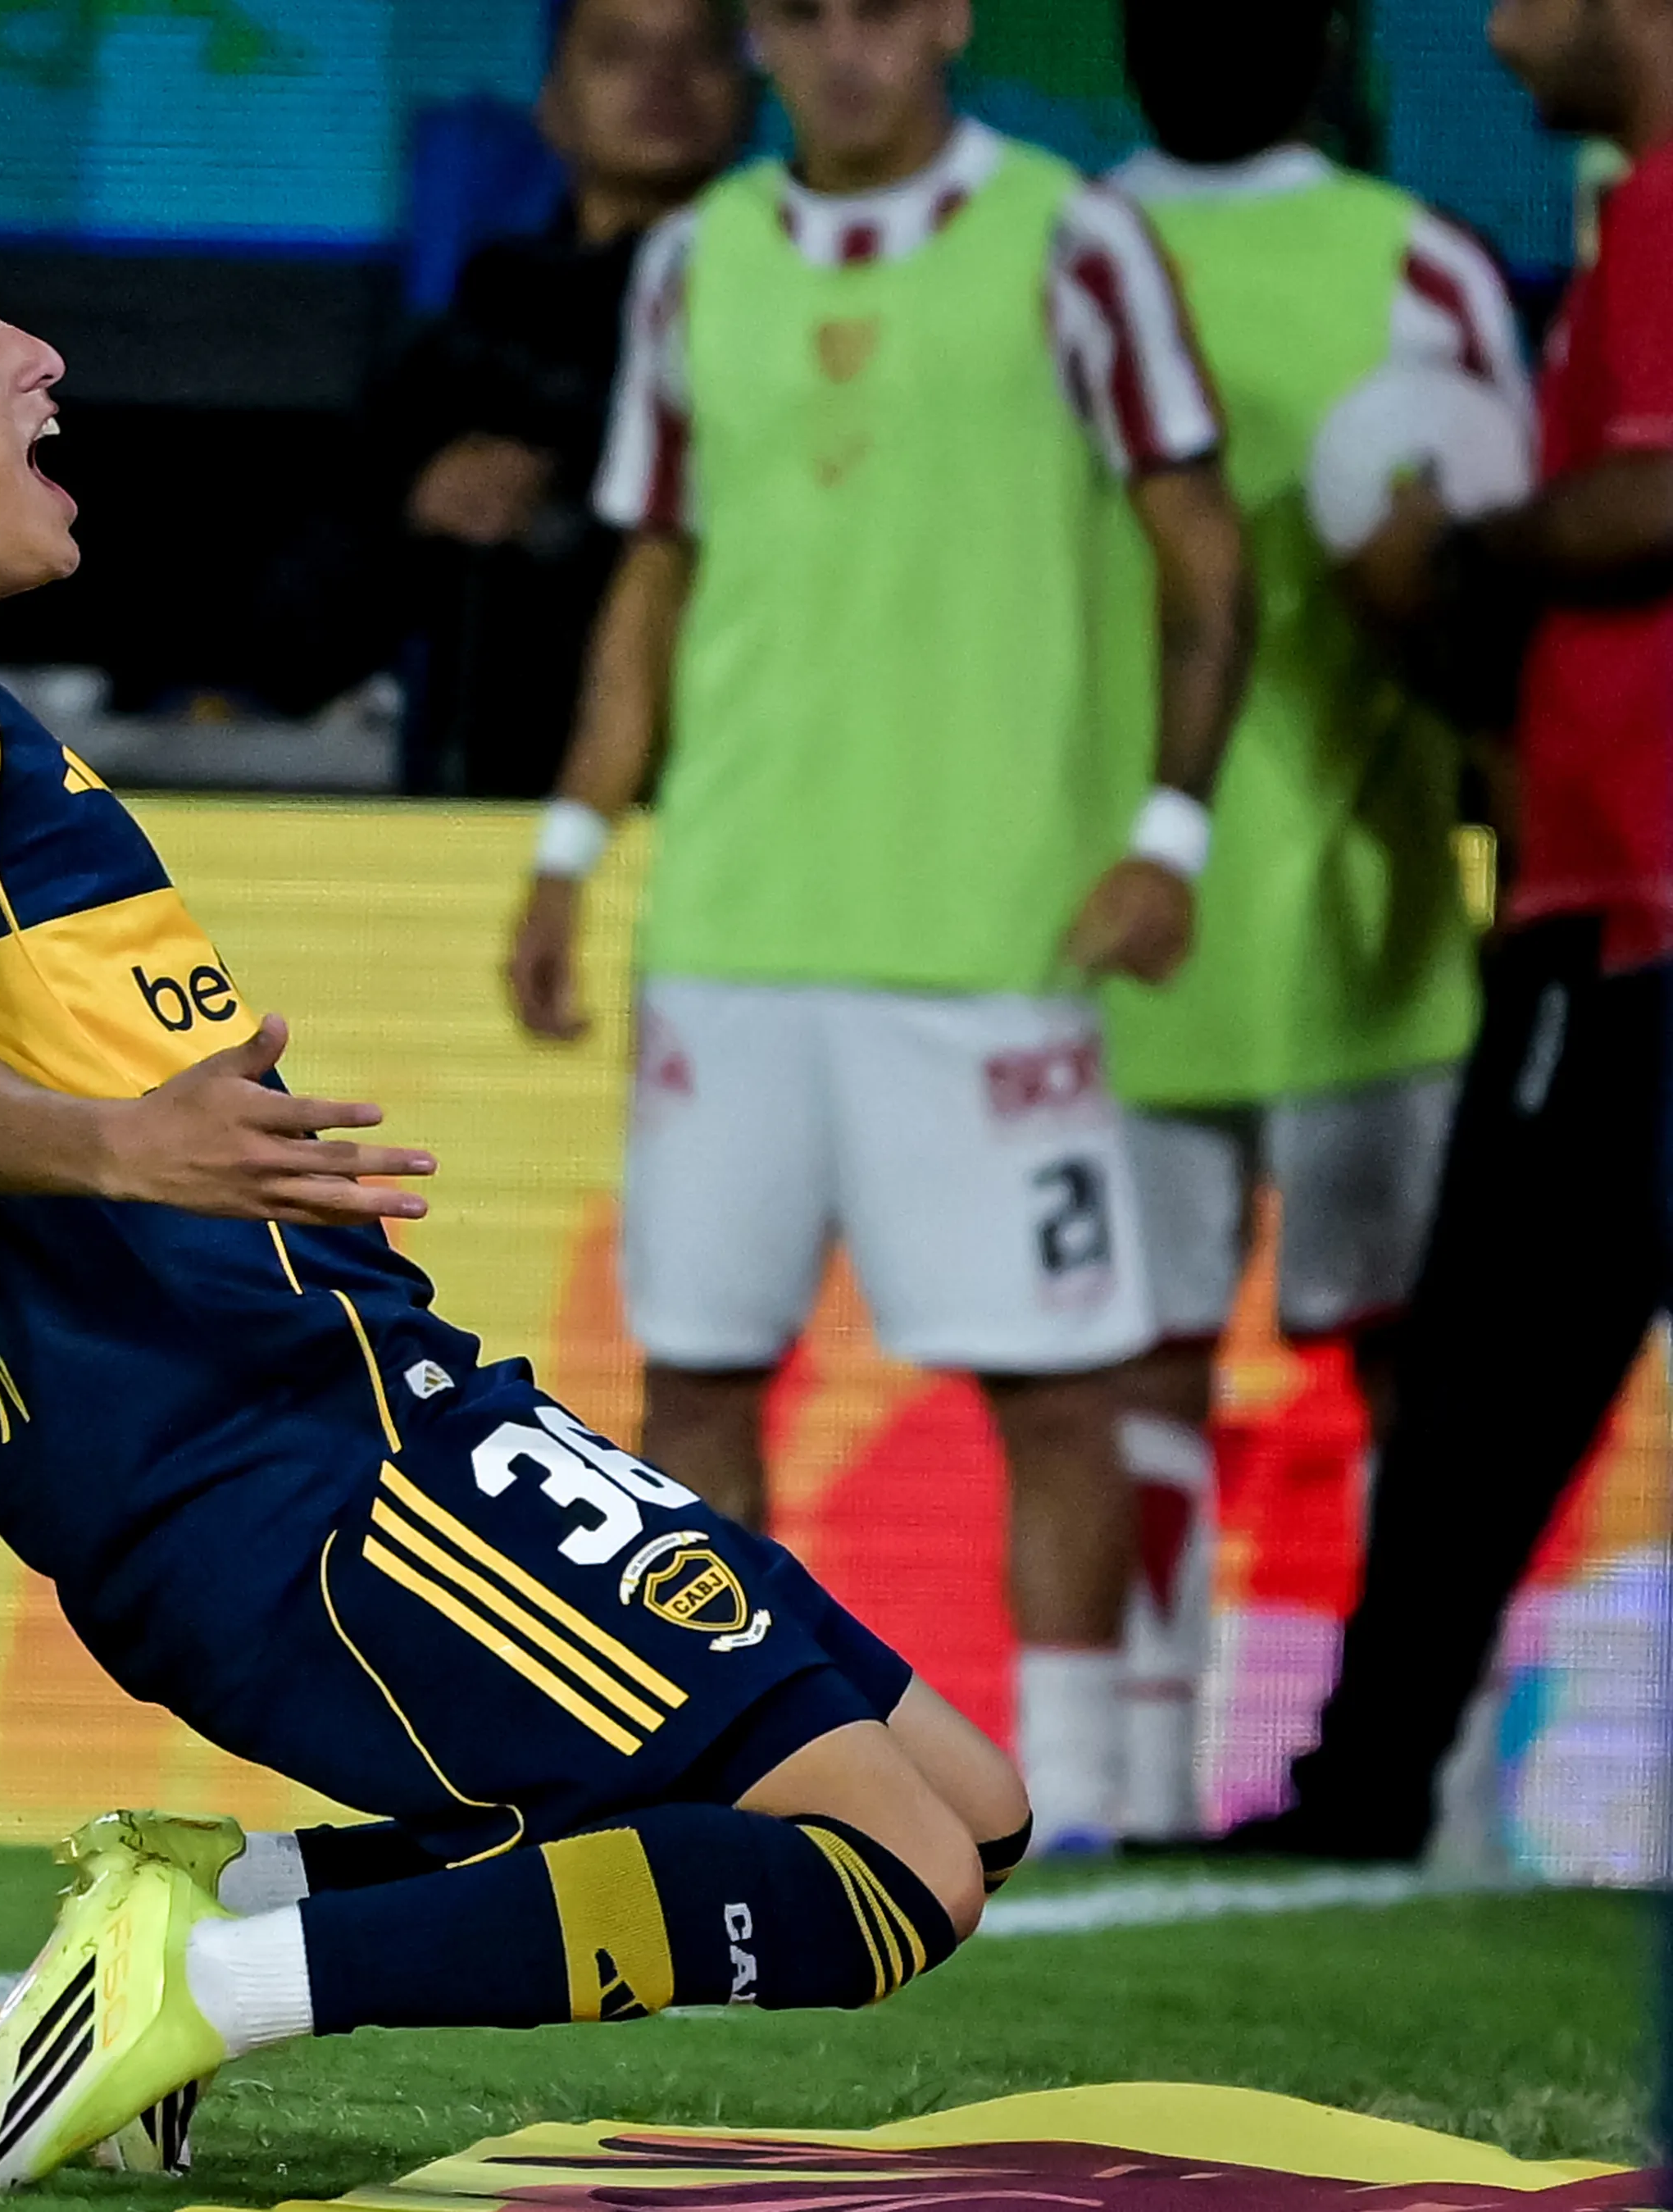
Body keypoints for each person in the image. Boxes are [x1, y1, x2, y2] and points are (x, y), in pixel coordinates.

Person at [0, 130, 1032, 2197]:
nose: (44, 362)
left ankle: (206, 1890)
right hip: (298, 1464)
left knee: (961, 1800)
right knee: (886, 1870)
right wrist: (133, 1143)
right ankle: (215, 1973)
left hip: (357, 1425)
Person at [500, 0, 1254, 1855]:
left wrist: (1166, 833)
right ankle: (713, 1776)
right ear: (765, 35)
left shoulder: (1070, 241)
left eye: (884, 10)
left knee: (1057, 1381)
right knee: (693, 1371)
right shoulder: (691, 262)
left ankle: (1067, 1805)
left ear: (949, 21)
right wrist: (570, 840)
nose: (850, 49)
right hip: (730, 934)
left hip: (983, 944)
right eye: (811, 14)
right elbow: (654, 569)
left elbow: (1205, 558)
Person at [1222, 0, 1673, 1864]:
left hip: (1634, 918)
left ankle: (1361, 1789)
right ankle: (1362, 1784)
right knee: (1482, 1381)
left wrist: (1456, 546)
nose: (1493, 31)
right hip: (1585, 900)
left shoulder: (1659, 213)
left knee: (1482, 1376)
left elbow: (1653, 497)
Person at [1092, 0, 1530, 1846]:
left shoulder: (1405, 263)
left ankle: (1393, 1777)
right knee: (1160, 1371)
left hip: (1334, 918)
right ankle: (1140, 1784)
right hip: (1149, 924)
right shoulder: (1061, 244)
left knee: (1363, 1361)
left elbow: (1494, 576)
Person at [375, 0, 749, 795]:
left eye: (697, 53)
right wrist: (419, 510)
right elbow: (291, 632)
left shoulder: (812, 323)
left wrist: (569, 493)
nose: (663, 82)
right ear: (552, 104)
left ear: (749, 92)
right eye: (618, 54)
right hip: (492, 809)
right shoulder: (473, 336)